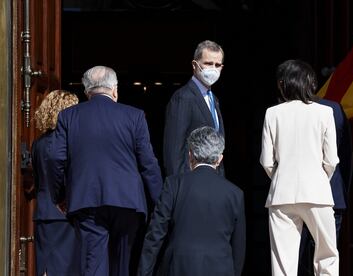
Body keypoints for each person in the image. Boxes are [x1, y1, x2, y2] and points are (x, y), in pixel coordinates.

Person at [51, 66, 163, 276]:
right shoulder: (134, 116)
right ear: (114, 90)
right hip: (127, 201)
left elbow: (56, 158)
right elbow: (148, 163)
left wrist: (60, 195)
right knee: (122, 265)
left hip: (87, 201)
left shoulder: (68, 116)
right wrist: (160, 203)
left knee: (94, 265)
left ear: (86, 92)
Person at [260, 59, 340, 275]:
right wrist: (319, 178)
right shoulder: (325, 113)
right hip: (318, 192)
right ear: (310, 83)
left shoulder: (272, 113)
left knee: (282, 263)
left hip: (281, 195)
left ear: (282, 84)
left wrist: (281, 176)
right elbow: (331, 160)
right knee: (327, 256)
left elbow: (266, 161)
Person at [138, 126, 246, 276]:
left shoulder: (173, 184)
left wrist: (144, 272)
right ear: (220, 159)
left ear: (190, 155)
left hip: (178, 268)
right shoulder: (235, 194)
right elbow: (238, 248)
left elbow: (155, 234)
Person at [298, 98, 353, 276]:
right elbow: (344, 156)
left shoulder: (282, 111)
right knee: (326, 259)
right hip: (331, 193)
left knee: (296, 260)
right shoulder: (333, 108)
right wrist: (341, 190)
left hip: (296, 196)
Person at [31, 90, 80, 276]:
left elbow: (38, 179)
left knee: (46, 268)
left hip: (43, 214)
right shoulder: (67, 143)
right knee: (67, 269)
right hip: (65, 214)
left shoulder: (38, 143)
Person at [163, 40, 225, 177]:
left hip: (213, 181)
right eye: (208, 64)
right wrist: (179, 187)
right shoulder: (183, 98)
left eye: (218, 65)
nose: (213, 69)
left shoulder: (213, 99)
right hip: (191, 182)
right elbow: (174, 149)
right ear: (194, 65)